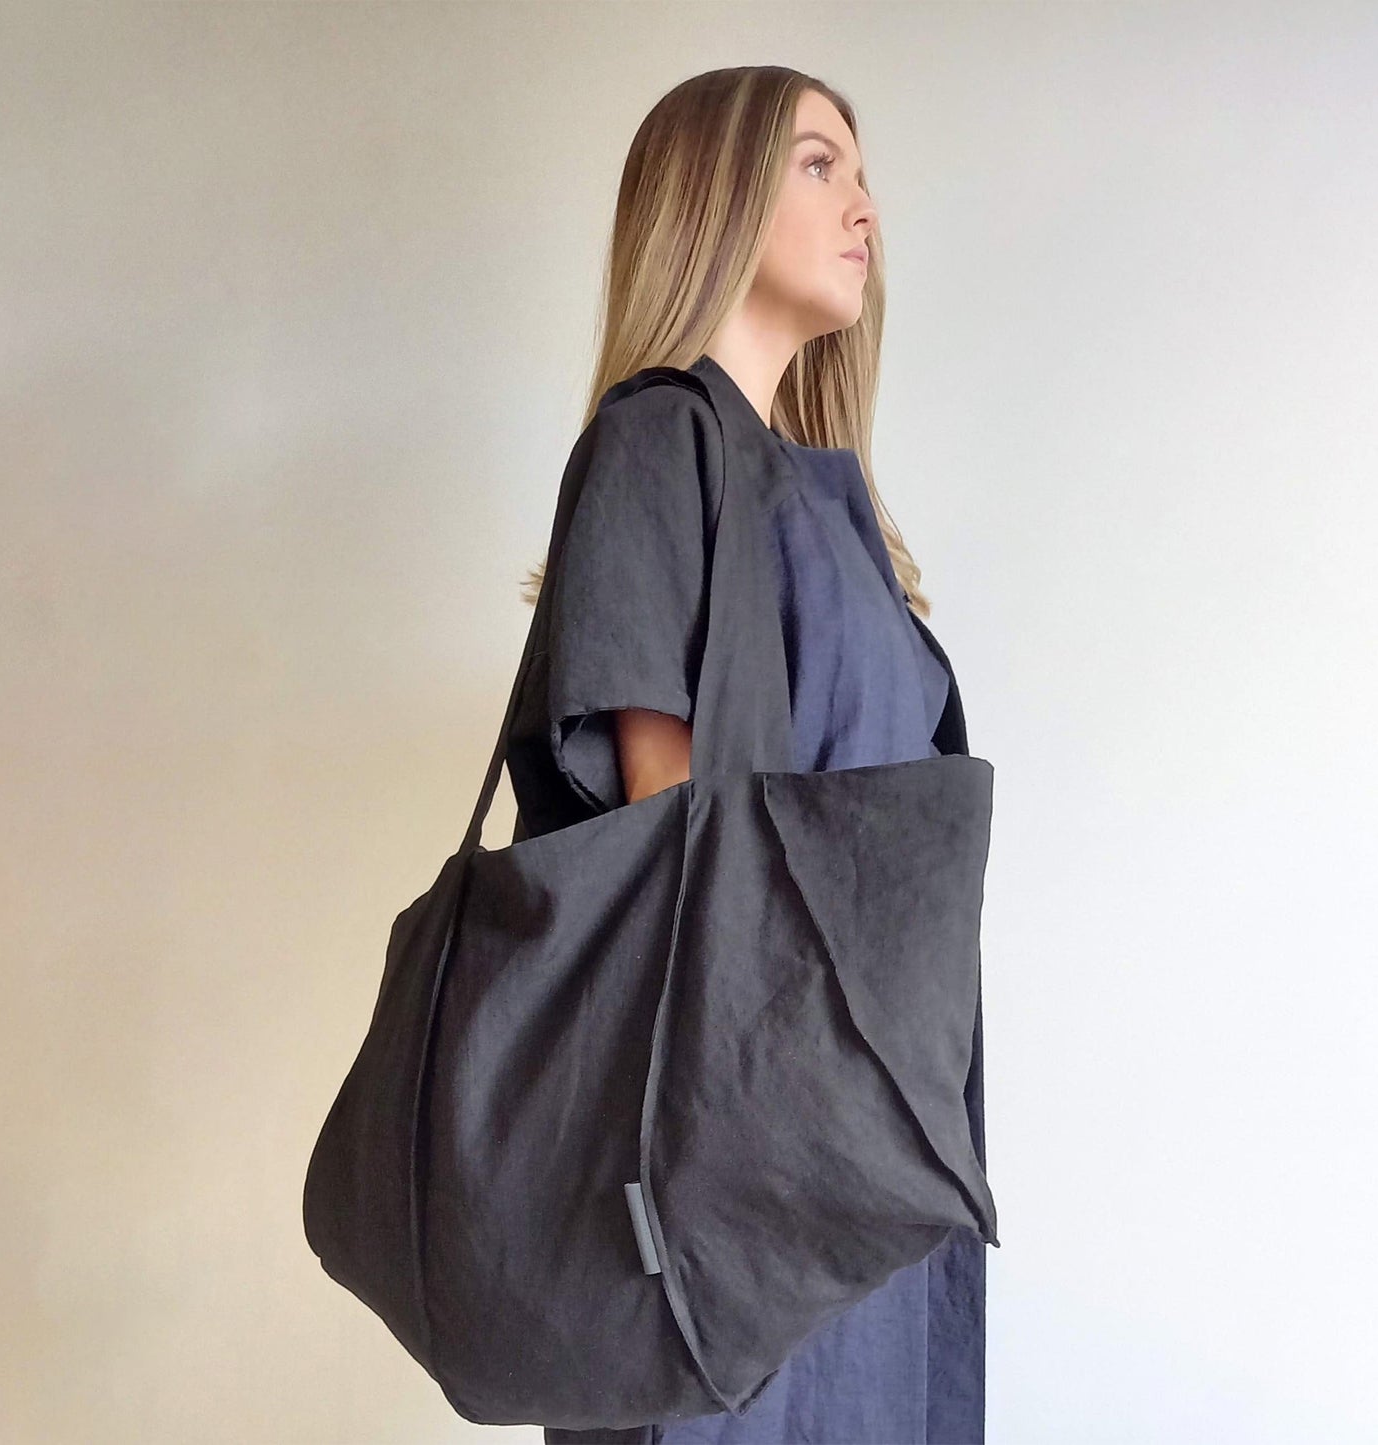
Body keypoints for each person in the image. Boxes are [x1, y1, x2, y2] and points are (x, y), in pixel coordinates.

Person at [516, 66, 987, 1445]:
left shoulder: (832, 503)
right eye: (816, 165)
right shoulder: (661, 443)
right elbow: (664, 834)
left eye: (859, 172)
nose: (862, 206)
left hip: (869, 1124)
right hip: (745, 1138)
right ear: (715, 197)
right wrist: (790, 1117)